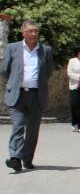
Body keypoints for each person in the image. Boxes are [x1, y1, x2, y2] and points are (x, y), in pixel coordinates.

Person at [3, 20, 54, 172]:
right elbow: (4, 70)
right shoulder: (13, 48)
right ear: (23, 33)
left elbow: (48, 72)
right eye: (30, 31)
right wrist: (13, 82)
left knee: (32, 130)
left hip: (36, 95)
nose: (34, 34)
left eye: (36, 31)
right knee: (18, 126)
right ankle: (15, 158)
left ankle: (27, 159)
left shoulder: (46, 50)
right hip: (17, 94)